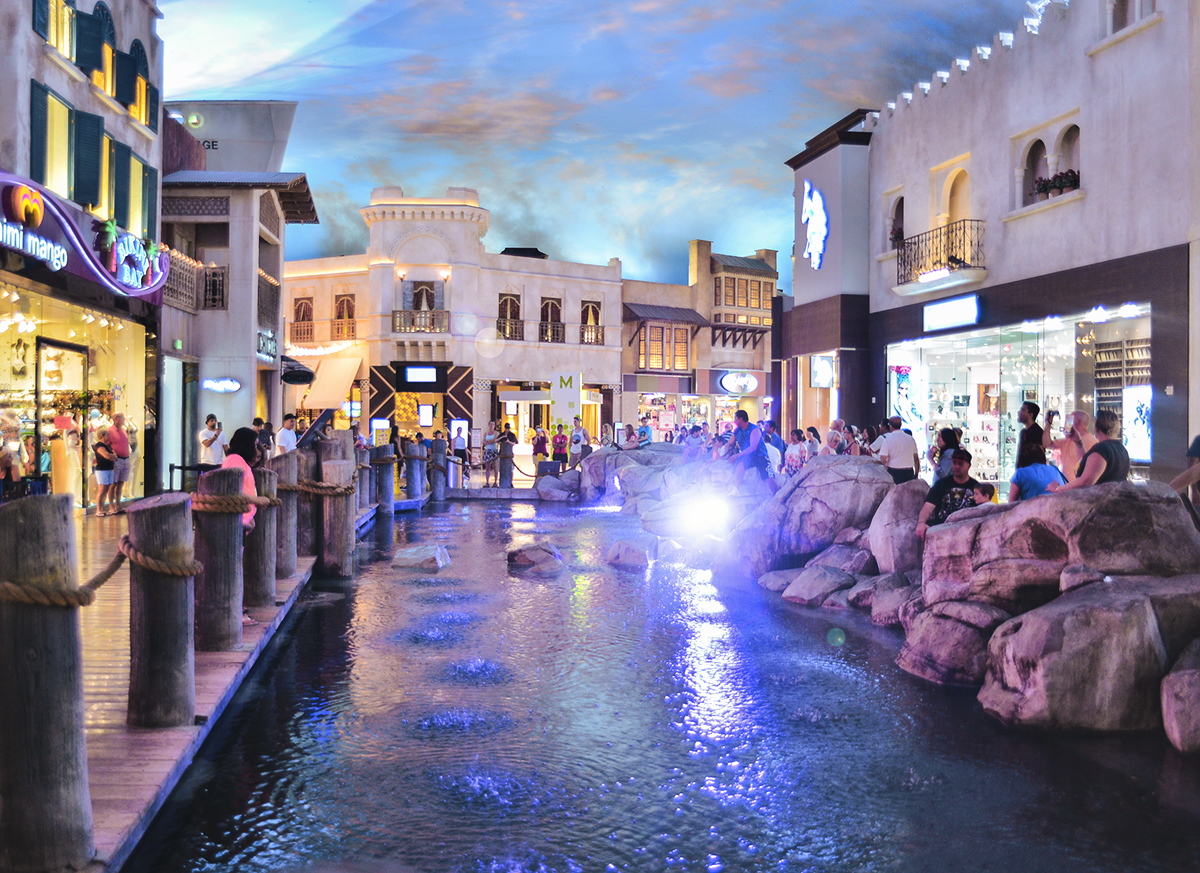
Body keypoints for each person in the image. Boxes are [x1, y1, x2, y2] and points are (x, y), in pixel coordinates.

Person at [1047, 409, 1130, 492]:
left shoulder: (1102, 449)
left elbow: (1086, 481)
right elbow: (1086, 464)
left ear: (1096, 427)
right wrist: (1078, 442)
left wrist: (1058, 489)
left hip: (1098, 502)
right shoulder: (1121, 450)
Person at [915, 448, 979, 540]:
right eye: (954, 463)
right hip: (942, 530)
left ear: (969, 466)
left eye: (960, 464)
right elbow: (928, 506)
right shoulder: (941, 484)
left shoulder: (975, 487)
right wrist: (921, 523)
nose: (956, 467)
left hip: (967, 532)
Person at [1042, 410, 1097, 484]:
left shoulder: (1092, 441)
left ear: (1079, 422)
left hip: (1079, 487)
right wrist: (1048, 424)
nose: (1067, 422)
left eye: (1070, 419)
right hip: (1066, 484)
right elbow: (1047, 445)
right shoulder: (1068, 439)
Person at [728, 409, 774, 491]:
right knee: (740, 463)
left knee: (769, 478)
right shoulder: (737, 430)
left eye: (735, 419)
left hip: (760, 456)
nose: (734, 421)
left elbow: (753, 448)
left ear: (740, 419)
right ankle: (736, 488)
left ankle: (778, 494)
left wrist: (737, 455)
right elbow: (730, 443)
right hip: (748, 456)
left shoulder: (755, 429)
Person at [879, 415, 920, 484]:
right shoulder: (910, 439)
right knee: (908, 493)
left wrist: (885, 472)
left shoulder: (888, 439)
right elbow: (916, 458)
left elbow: (883, 459)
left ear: (890, 426)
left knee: (895, 493)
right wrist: (916, 473)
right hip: (909, 472)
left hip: (894, 473)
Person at [107, 411, 132, 511]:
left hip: (125, 459)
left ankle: (118, 504)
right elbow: (107, 445)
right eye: (121, 417)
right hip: (116, 460)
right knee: (113, 484)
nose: (123, 419)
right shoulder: (110, 431)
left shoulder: (123, 430)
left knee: (121, 484)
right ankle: (111, 506)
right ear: (116, 419)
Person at [92, 426, 117, 515]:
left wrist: (111, 456)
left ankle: (102, 508)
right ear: (102, 435)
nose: (109, 436)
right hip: (102, 469)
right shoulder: (99, 446)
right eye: (107, 434)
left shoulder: (108, 446)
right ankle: (98, 509)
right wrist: (111, 456)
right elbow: (106, 455)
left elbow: (115, 456)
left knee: (107, 489)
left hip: (110, 468)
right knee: (102, 489)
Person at [1016, 401, 1044, 469]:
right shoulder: (1024, 432)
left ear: (1030, 415)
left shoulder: (1037, 432)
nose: (1019, 412)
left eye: (1023, 410)